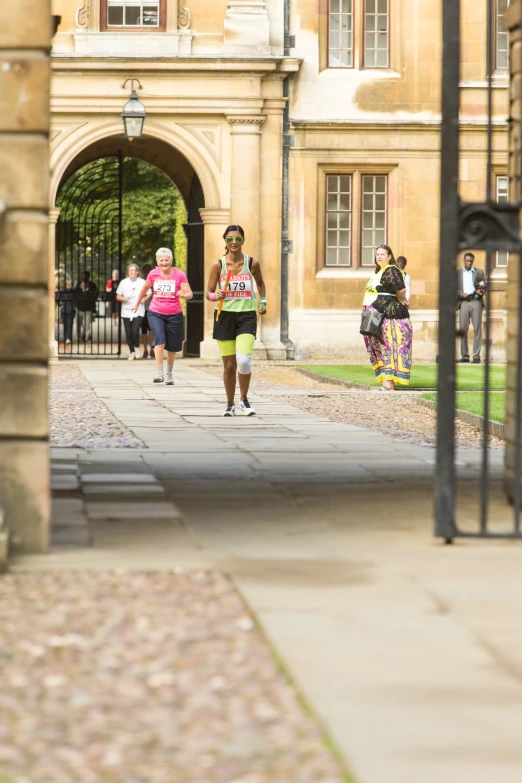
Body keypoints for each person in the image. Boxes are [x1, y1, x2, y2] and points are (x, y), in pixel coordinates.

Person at [206, 225, 267, 416]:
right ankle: (230, 403)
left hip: (247, 315)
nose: (234, 242)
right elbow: (208, 293)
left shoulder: (252, 263)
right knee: (229, 365)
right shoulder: (218, 265)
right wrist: (217, 295)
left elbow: (261, 284)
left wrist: (263, 301)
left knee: (244, 360)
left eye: (238, 239)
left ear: (243, 241)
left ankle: (244, 399)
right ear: (225, 241)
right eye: (230, 239)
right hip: (224, 315)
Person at [132, 248, 193, 384]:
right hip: (156, 312)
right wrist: (136, 304)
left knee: (172, 346)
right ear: (157, 261)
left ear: (171, 261)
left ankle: (169, 373)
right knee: (159, 340)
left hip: (174, 314)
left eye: (166, 260)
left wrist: (184, 294)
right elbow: (144, 289)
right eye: (161, 260)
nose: (164, 262)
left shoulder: (179, 274)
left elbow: (190, 293)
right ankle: (159, 372)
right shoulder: (153, 274)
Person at [362, 244, 413, 391]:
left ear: (390, 256)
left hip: (389, 315)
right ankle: (386, 382)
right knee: (379, 348)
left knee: (388, 347)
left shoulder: (391, 270)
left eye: (382, 254)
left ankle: (388, 384)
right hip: (374, 315)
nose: (379, 256)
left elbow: (401, 290)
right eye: (377, 254)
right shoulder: (378, 272)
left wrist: (402, 300)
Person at [457, 252, 486, 364]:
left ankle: (476, 355)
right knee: (463, 329)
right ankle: (464, 355)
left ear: (472, 261)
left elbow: (483, 285)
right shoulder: (458, 273)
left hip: (476, 301)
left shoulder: (479, 272)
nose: (469, 263)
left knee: (477, 329)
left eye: (470, 261)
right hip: (464, 302)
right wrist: (461, 294)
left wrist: (480, 291)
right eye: (467, 260)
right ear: (464, 260)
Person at [116, 263, 148, 360]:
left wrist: (144, 299)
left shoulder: (142, 282)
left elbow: (149, 293)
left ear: (137, 272)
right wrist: (123, 298)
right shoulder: (123, 283)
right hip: (126, 311)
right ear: (128, 272)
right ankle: (131, 352)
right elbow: (117, 296)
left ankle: (137, 347)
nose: (132, 272)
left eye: (134, 270)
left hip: (138, 310)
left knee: (135, 332)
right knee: (128, 333)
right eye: (130, 270)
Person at [74, 271, 98, 342]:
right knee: (78, 324)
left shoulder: (92, 285)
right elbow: (75, 295)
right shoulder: (78, 285)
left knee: (87, 325)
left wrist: (90, 301)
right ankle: (78, 338)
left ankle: (87, 338)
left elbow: (95, 295)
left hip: (88, 308)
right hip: (79, 308)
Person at [140, 263, 154, 359]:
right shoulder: (141, 281)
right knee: (144, 330)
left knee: (152, 330)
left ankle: (152, 349)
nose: (147, 271)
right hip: (142, 309)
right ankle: (145, 350)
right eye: (145, 269)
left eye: (148, 269)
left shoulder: (154, 281)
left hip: (152, 308)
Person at [58, 276, 76, 347]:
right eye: (69, 285)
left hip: (68, 309)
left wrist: (60, 305)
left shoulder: (68, 291)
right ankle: (67, 337)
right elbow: (58, 299)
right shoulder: (64, 291)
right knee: (67, 324)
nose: (69, 286)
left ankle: (68, 337)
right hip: (67, 309)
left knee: (68, 325)